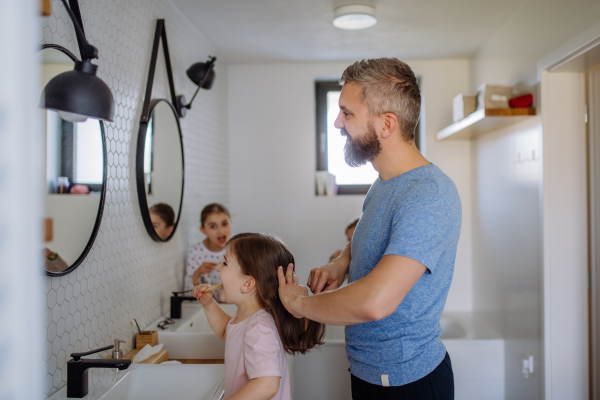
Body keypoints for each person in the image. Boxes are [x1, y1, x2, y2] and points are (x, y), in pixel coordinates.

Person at [277, 57, 461, 400]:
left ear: (387, 124)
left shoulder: (430, 195)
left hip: (407, 384)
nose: (336, 122)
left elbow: (377, 302)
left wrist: (299, 305)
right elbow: (372, 228)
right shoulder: (385, 183)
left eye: (347, 113)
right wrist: (341, 263)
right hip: (372, 373)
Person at [193, 233, 325, 400]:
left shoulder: (260, 328)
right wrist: (209, 304)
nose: (219, 268)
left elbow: (267, 384)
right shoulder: (249, 319)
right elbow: (228, 333)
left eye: (225, 263)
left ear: (247, 283)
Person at [183, 203, 232, 300]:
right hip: (207, 308)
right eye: (213, 226)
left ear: (231, 222)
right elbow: (188, 295)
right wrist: (196, 275)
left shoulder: (237, 249)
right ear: (203, 230)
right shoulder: (195, 252)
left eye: (224, 224)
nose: (220, 231)